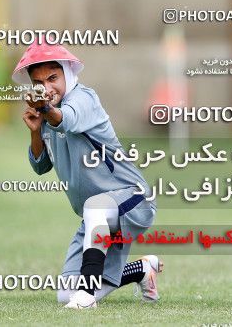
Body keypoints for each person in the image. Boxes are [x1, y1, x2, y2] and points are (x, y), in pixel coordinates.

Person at [14, 40, 163, 309]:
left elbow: (65, 119)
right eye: (39, 81)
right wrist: (36, 131)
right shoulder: (46, 116)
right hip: (98, 218)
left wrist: (46, 110)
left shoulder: (84, 98)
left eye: (53, 78)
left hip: (134, 200)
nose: (47, 87)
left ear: (68, 74)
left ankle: (86, 298)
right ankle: (142, 269)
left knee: (94, 209)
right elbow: (40, 166)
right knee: (63, 294)